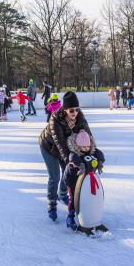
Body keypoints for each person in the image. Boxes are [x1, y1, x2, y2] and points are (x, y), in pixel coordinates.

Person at [39, 91, 93, 221]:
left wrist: (94, 154)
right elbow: (60, 143)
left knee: (67, 172)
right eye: (71, 110)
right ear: (65, 109)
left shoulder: (80, 118)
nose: (74, 113)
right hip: (49, 147)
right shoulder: (55, 119)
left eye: (77, 109)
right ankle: (52, 203)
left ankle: (62, 193)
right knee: (55, 176)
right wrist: (70, 160)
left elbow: (88, 137)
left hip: (64, 147)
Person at [63, 129, 105, 232]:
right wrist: (80, 165)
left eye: (88, 146)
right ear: (78, 146)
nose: (86, 149)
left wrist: (99, 162)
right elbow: (72, 157)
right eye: (83, 147)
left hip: (85, 179)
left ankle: (91, 216)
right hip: (72, 179)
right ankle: (70, 217)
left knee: (88, 197)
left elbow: (99, 153)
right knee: (74, 198)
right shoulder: (74, 153)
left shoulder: (91, 150)